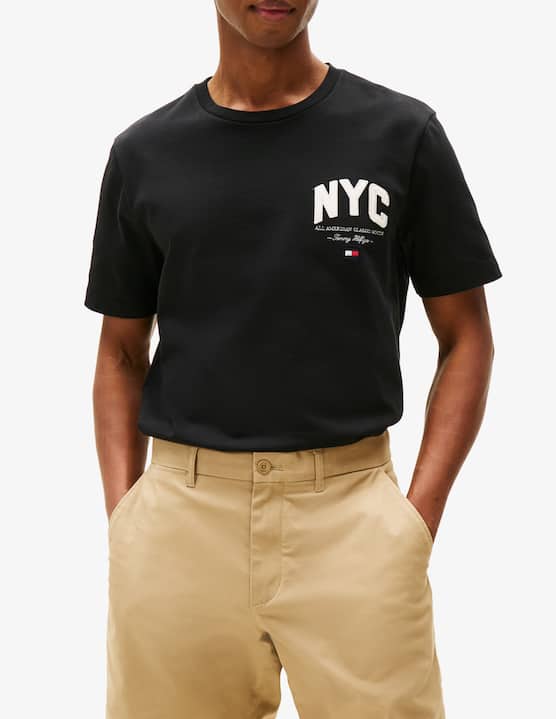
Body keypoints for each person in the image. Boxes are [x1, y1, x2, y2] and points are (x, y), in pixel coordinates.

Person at [84, 1, 502, 717]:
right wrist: (126, 519)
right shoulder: (145, 153)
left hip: (353, 521)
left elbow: (467, 337)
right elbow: (121, 351)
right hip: (180, 530)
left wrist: (415, 522)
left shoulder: (402, 135)